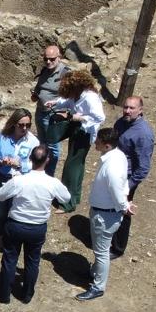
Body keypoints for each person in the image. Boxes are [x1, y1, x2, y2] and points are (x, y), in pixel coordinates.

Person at [0, 146, 70, 305]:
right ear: (47, 160)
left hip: (15, 225)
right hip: (37, 227)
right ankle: (27, 295)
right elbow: (66, 198)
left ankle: (4, 295)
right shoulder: (52, 182)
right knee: (33, 261)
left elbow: (0, 195)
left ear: (30, 159)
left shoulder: (19, 180)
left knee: (9, 259)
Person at [77, 128, 136, 302]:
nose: (95, 142)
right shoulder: (118, 156)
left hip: (105, 215)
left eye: (98, 141)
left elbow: (117, 192)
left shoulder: (112, 168)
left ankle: (98, 287)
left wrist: (124, 206)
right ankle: (95, 272)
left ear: (107, 145)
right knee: (100, 249)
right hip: (105, 213)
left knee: (101, 251)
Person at [44, 69, 105, 213]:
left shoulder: (89, 97)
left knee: (71, 167)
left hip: (84, 133)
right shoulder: (77, 95)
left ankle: (67, 203)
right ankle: (74, 197)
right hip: (78, 131)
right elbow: (67, 101)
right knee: (77, 165)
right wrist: (54, 103)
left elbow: (100, 117)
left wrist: (81, 118)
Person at [0, 109, 39, 244]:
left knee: (15, 212)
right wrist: (1, 162)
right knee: (2, 211)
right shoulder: (2, 138)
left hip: (21, 180)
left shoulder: (33, 142)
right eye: (21, 125)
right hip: (1, 179)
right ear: (14, 123)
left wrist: (20, 165)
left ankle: (11, 241)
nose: (24, 128)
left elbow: (36, 164)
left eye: (28, 125)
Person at [111, 95, 155, 259]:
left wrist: (127, 186)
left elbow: (143, 168)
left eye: (132, 108)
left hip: (127, 179)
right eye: (126, 107)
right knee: (111, 206)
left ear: (140, 110)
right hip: (115, 173)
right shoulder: (121, 122)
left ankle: (118, 247)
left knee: (123, 210)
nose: (127, 111)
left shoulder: (143, 134)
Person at [30, 45, 71, 175]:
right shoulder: (44, 70)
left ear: (59, 57)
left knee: (52, 144)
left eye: (52, 59)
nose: (48, 62)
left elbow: (71, 97)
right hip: (40, 111)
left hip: (52, 115)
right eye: (46, 59)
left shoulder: (65, 73)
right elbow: (38, 89)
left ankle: (50, 173)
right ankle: (42, 168)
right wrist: (35, 95)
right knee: (42, 142)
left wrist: (60, 108)